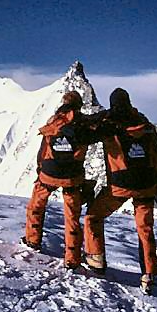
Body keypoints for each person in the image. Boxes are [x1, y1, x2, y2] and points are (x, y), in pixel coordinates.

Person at [83, 88, 157, 294]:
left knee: (93, 217)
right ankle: (148, 274)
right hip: (146, 186)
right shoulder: (146, 126)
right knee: (145, 228)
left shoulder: (110, 125)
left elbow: (85, 133)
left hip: (120, 186)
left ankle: (96, 259)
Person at [21, 90, 94, 270]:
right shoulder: (84, 124)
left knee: (36, 206)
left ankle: (32, 240)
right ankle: (72, 258)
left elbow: (43, 149)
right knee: (72, 216)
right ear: (79, 105)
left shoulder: (53, 122)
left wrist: (40, 170)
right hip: (72, 176)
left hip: (49, 172)